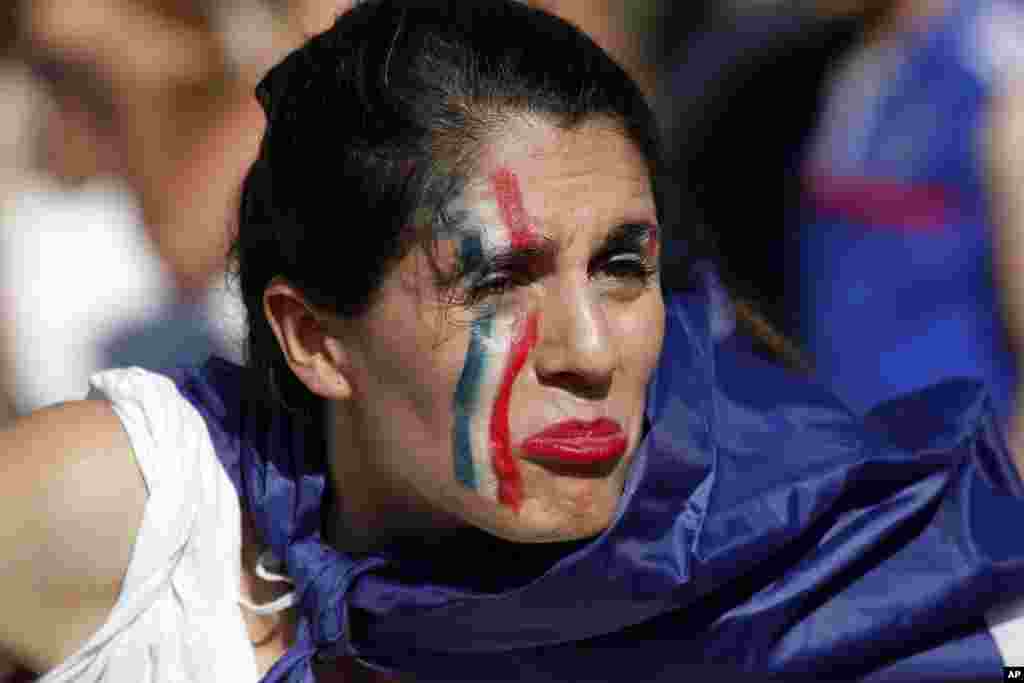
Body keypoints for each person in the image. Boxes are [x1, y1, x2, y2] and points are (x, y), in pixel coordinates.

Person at [2, 2, 1024, 681]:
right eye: (495, 280)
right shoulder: (152, 518)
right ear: (314, 337)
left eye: (622, 265)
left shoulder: (797, 561)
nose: (587, 348)